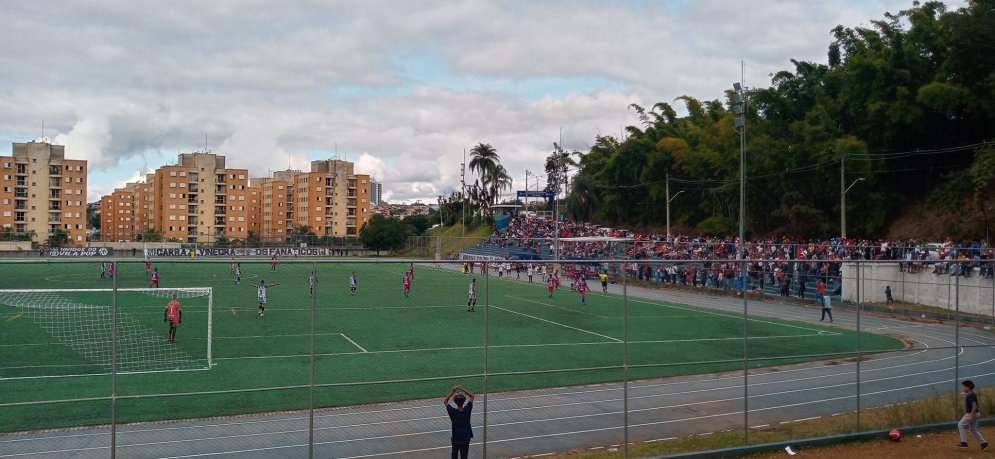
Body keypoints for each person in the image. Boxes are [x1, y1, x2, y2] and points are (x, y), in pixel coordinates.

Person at [443, 385, 475, 459]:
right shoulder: (467, 410)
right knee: (464, 455)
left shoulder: (452, 411)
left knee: (454, 454)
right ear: (464, 401)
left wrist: (452, 391)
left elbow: (445, 401)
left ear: (455, 402)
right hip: (465, 437)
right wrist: (463, 389)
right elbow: (472, 396)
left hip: (456, 438)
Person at [956, 380, 988, 450]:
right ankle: (984, 443)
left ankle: (964, 443)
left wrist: (970, 416)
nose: (963, 388)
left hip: (971, 413)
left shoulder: (969, 396)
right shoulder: (973, 394)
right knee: (973, 429)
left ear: (968, 388)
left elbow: (974, 406)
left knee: (961, 425)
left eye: (964, 387)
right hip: (976, 414)